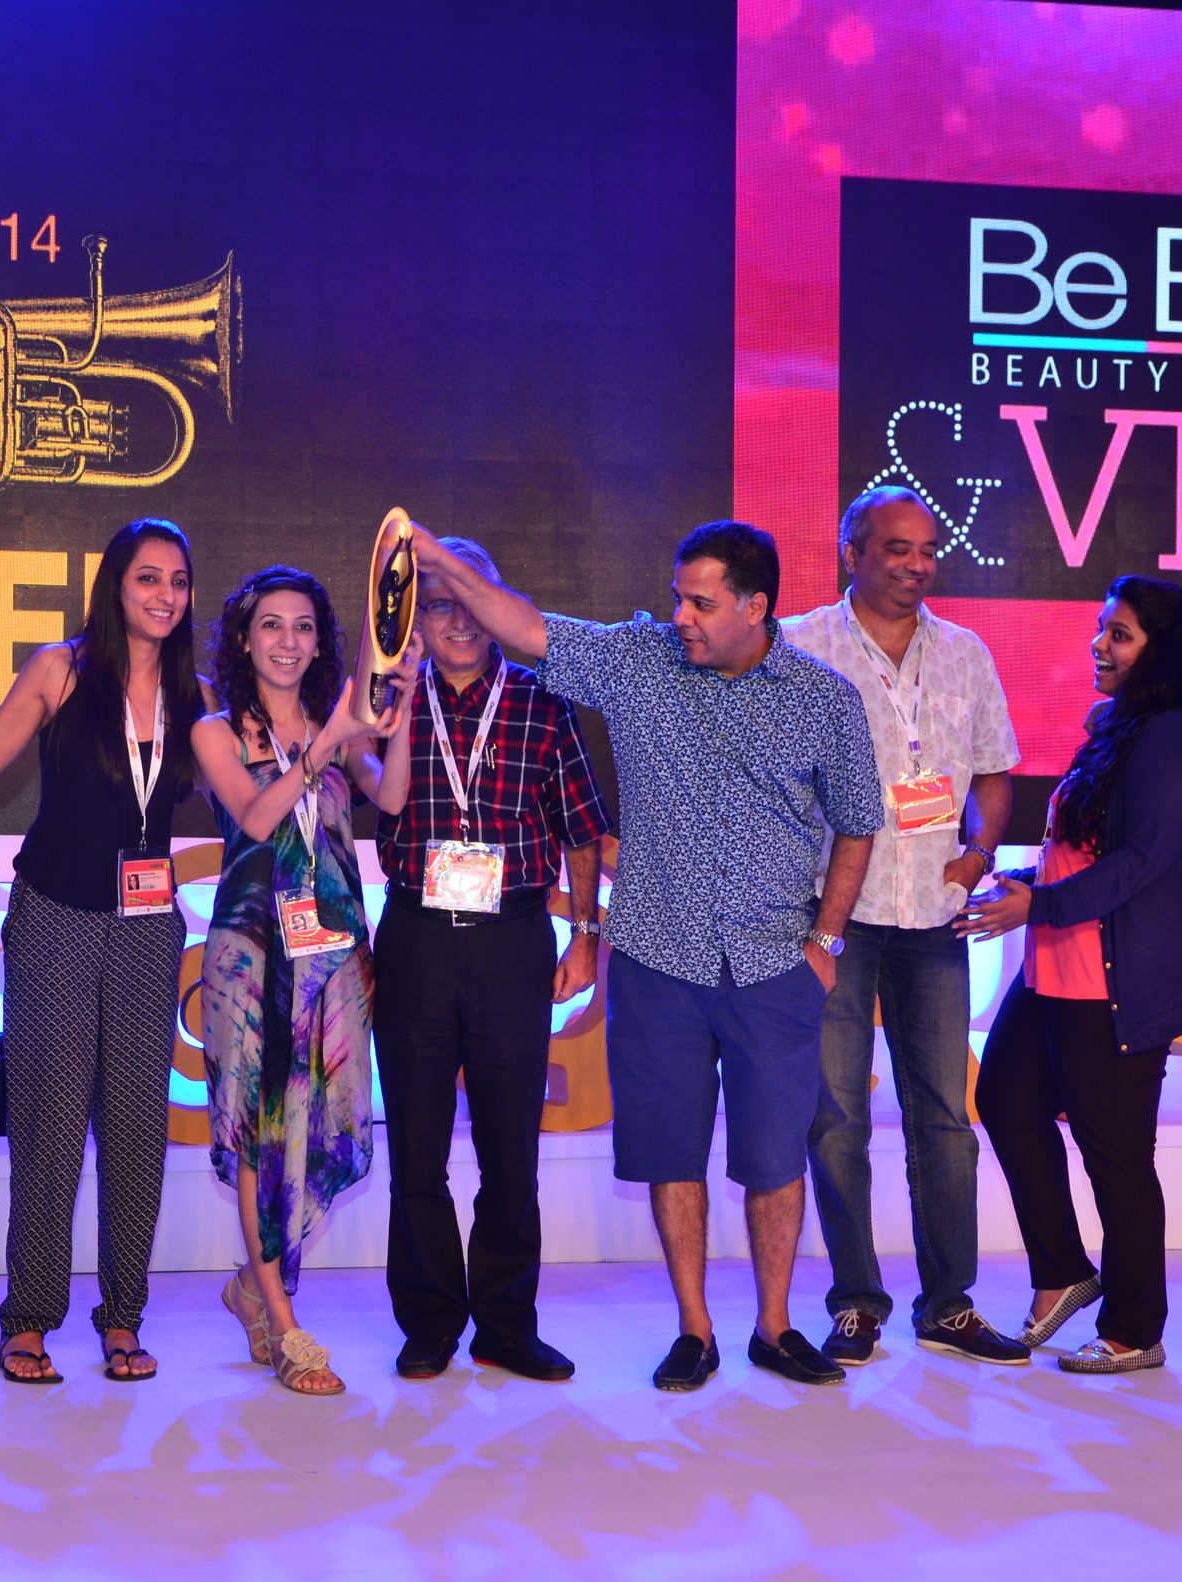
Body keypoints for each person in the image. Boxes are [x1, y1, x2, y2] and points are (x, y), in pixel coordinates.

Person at [412, 520, 881, 1393]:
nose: (681, 617)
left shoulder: (824, 699)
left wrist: (825, 941)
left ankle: (774, 1327)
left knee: (776, 1159)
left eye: (701, 603)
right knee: (671, 1154)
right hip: (659, 962)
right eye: (677, 598)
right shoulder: (639, 663)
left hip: (773, 964)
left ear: (755, 607)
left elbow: (859, 821)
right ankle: (694, 1331)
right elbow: (527, 629)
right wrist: (437, 562)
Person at [961, 576, 1182, 1374]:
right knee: (1006, 1102)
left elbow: (1145, 860)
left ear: (1161, 649)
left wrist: (1041, 903)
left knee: (1114, 1155)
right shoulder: (1124, 726)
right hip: (1054, 967)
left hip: (1112, 982)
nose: (1099, 645)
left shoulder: (1176, 737)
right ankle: (1062, 1272)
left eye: (1119, 634)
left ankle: (1135, 1327)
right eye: (1101, 629)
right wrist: (1029, 887)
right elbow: (1089, 844)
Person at [782, 486, 1028, 1369]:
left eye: (927, 550)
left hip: (934, 913)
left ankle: (948, 1305)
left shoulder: (965, 652)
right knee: (836, 1117)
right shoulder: (797, 646)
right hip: (833, 917)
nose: (917, 565)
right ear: (851, 553)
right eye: (897, 548)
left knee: (945, 1120)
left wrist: (978, 852)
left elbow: (994, 770)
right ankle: (855, 1304)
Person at [374, 537, 612, 1384]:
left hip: (515, 939)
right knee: (417, 1147)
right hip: (416, 936)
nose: (460, 622)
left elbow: (582, 829)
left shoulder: (543, 702)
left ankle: (506, 1325)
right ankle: (430, 1322)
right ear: (417, 619)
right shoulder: (389, 701)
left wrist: (586, 935)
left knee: (512, 1148)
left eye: (474, 603)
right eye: (440, 605)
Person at [0, 518, 203, 1385]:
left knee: (138, 1128)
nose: (164, 595)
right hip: (55, 915)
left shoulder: (195, 693)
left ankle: (123, 1319)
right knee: (50, 1124)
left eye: (178, 581)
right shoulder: (59, 670)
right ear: (115, 584)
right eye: (148, 578)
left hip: (149, 927)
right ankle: (30, 1319)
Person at [192, 565, 410, 1394]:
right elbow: (255, 817)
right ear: (244, 639)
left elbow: (392, 798)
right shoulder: (215, 731)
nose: (289, 641)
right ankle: (285, 1326)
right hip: (251, 956)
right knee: (259, 1127)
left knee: (317, 1123)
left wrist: (399, 715)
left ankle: (254, 1288)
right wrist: (328, 741)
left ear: (321, 644)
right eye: (272, 626)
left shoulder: (336, 726)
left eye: (305, 627)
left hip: (334, 952)